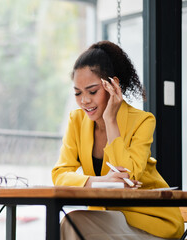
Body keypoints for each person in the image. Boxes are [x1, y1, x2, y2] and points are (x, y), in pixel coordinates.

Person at [51, 40, 184, 239]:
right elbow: (60, 173)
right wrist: (98, 182)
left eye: (92, 91)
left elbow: (129, 177)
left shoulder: (142, 121)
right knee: (72, 222)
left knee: (77, 225)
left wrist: (110, 120)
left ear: (113, 85)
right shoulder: (76, 121)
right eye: (78, 93)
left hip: (150, 221)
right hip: (107, 219)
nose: (84, 100)